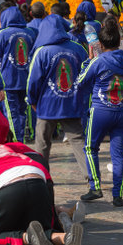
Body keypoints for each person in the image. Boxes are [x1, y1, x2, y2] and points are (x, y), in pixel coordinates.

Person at [75, 17, 123, 207]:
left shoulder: (98, 61)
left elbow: (81, 82)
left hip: (100, 111)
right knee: (119, 154)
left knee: (90, 148)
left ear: (101, 43)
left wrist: (87, 62)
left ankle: (95, 187)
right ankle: (117, 195)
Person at [26, 14, 89, 179]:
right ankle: (91, 178)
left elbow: (33, 80)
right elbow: (88, 74)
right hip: (72, 103)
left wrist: (32, 100)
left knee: (42, 144)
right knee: (77, 140)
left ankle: (41, 178)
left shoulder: (42, 51)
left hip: (47, 106)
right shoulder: (78, 49)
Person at [0, 3, 37, 142]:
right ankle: (21, 139)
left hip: (8, 80)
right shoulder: (31, 32)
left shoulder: (2, 34)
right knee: (22, 112)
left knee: (11, 113)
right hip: (26, 78)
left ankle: (16, 142)